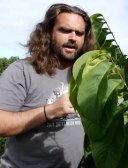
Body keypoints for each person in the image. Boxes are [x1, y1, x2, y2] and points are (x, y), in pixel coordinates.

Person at [0, 3, 95, 168]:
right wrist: (50, 111)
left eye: (79, 33)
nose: (73, 37)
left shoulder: (85, 74)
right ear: (48, 32)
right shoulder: (22, 70)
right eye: (65, 30)